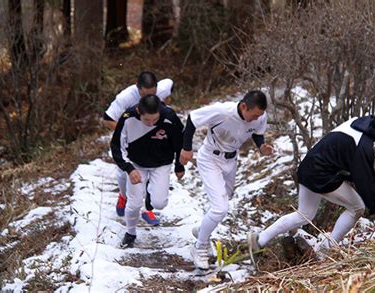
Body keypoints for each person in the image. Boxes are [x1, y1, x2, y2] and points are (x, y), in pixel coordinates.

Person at [247, 105, 375, 258]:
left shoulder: (359, 122)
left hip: (308, 167)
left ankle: (259, 240)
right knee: (357, 207)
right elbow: (365, 182)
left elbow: (348, 160)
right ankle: (327, 249)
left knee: (304, 214)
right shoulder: (363, 145)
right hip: (321, 175)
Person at [180, 90, 274, 270]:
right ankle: (200, 247)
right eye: (254, 115)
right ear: (243, 106)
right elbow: (192, 119)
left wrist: (261, 146)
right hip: (210, 158)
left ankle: (202, 232)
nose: (256, 119)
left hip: (231, 160)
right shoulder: (223, 111)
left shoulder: (259, 117)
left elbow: (257, 132)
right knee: (219, 208)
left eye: (259, 116)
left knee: (224, 199)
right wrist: (186, 148)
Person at [111, 94, 185, 248]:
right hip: (137, 164)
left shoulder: (170, 117)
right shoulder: (128, 117)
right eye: (146, 120)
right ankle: (130, 233)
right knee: (134, 203)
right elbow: (116, 146)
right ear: (138, 111)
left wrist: (179, 165)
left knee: (159, 203)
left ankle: (150, 194)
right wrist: (129, 169)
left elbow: (179, 142)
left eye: (155, 120)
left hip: (162, 164)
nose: (151, 124)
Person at [103, 71, 175, 225]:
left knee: (152, 172)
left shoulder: (163, 88)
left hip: (154, 139)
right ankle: (123, 196)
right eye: (145, 95)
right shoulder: (125, 98)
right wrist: (129, 133)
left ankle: (147, 209)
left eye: (153, 93)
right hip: (130, 141)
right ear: (138, 88)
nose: (149, 98)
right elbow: (107, 120)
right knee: (125, 174)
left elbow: (170, 84)